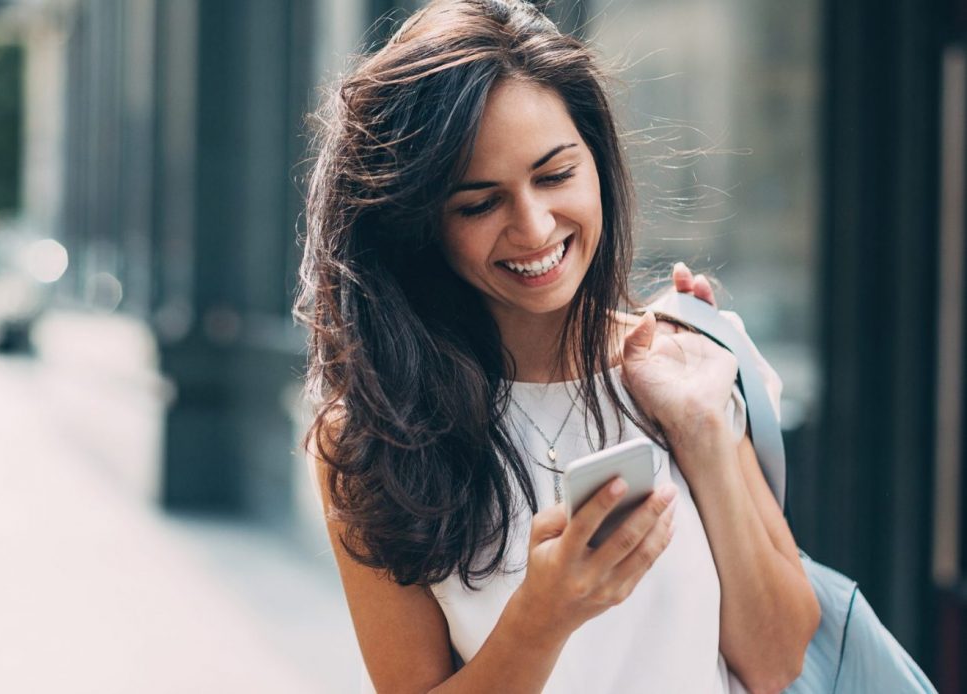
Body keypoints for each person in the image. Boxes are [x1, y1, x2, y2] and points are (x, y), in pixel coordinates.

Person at [296, 1, 820, 692]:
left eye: (554, 175)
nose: (535, 227)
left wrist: (701, 430)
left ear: (596, 161)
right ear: (420, 224)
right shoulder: (371, 438)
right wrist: (542, 618)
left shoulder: (683, 364)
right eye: (479, 203)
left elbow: (779, 660)